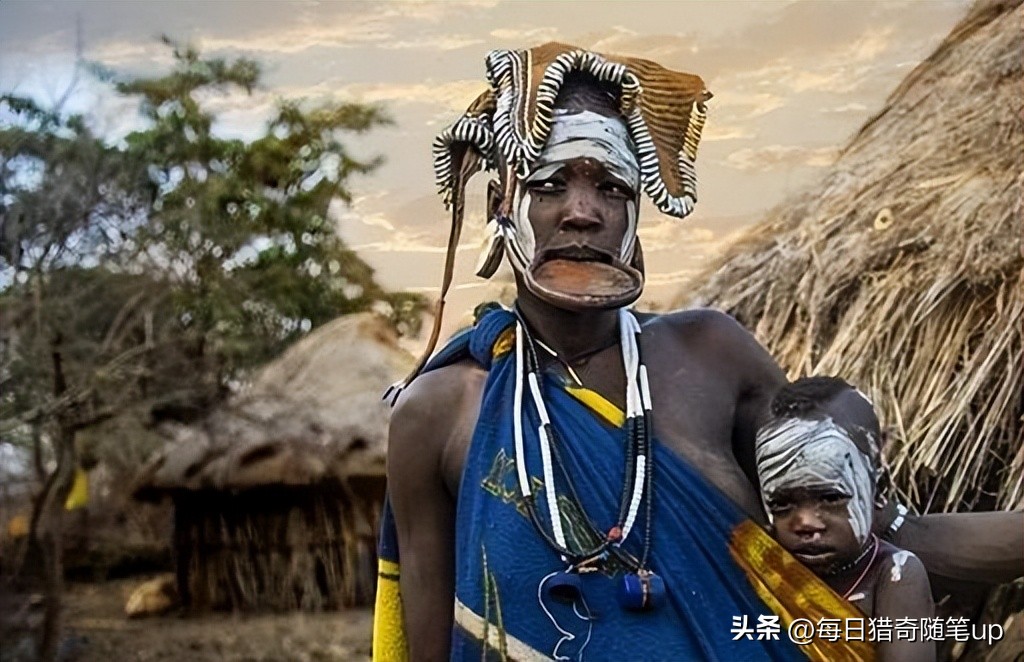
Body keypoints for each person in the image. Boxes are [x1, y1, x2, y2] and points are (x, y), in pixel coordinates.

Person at [374, 43, 1023, 662]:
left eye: (612, 188)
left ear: (636, 214)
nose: (582, 211)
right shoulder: (438, 416)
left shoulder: (711, 358)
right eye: (548, 185)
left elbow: (885, 536)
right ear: (501, 204)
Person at [756, 376, 934, 662]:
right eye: (782, 504)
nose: (804, 523)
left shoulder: (894, 575)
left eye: (830, 498)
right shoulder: (759, 566)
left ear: (879, 491)